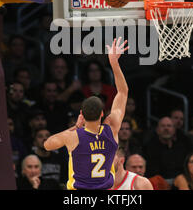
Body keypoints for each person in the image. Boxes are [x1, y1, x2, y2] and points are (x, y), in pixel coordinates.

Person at [44, 37, 129, 190]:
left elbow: (47, 144)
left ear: (81, 113)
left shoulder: (73, 136)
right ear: (102, 114)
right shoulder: (111, 128)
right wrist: (114, 64)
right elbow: (123, 92)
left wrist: (76, 127)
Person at [143, 117, 191, 186]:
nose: (166, 128)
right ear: (157, 130)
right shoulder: (149, 147)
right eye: (163, 126)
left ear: (174, 130)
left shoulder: (182, 146)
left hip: (179, 181)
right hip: (158, 182)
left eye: (169, 126)